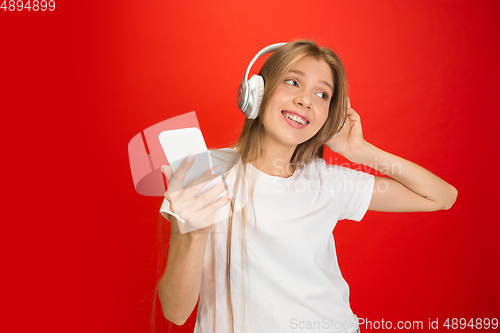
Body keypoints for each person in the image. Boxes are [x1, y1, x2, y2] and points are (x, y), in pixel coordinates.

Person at [155, 40, 458, 333]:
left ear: (328, 117)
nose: (306, 100)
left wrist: (360, 151)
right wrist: (195, 236)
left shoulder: (328, 182)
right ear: (257, 93)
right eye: (293, 82)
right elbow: (175, 312)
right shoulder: (203, 173)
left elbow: (441, 197)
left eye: (322, 95)